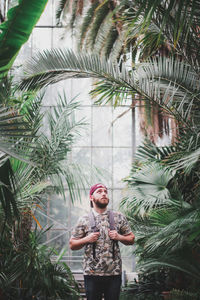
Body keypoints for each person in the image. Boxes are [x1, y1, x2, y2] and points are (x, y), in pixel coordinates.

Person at [69, 183, 135, 300]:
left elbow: (131, 239)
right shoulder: (84, 219)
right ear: (91, 197)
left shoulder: (118, 217)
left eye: (105, 191)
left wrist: (119, 237)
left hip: (114, 273)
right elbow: (72, 244)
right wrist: (87, 239)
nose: (104, 193)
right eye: (99, 191)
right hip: (91, 274)